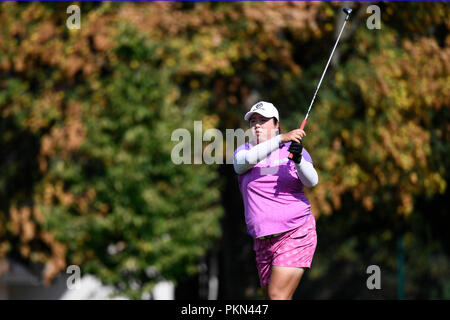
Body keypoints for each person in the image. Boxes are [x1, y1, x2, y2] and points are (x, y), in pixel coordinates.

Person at [233, 101, 319, 300]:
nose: (257, 125)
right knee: (271, 297)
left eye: (263, 121)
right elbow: (240, 166)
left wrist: (298, 160)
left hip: (295, 232)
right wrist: (281, 139)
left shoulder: (291, 149)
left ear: (276, 123)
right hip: (263, 240)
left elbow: (312, 181)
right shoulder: (244, 151)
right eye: (253, 121)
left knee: (277, 296)